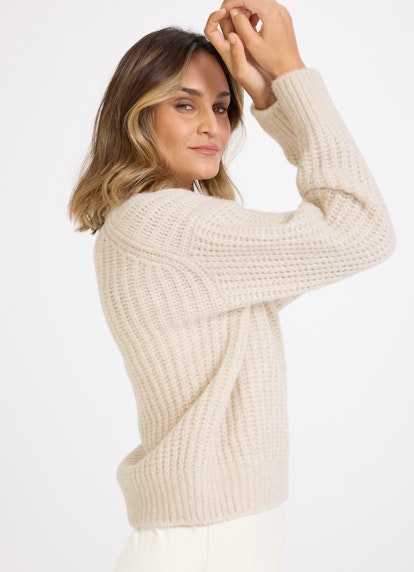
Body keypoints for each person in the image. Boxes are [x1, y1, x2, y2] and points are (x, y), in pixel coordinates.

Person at [68, 1, 395, 570]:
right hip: (209, 538)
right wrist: (290, 75)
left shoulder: (153, 228)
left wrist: (266, 97)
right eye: (184, 104)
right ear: (137, 116)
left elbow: (329, 246)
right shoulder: (166, 224)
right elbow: (361, 228)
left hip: (208, 531)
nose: (211, 126)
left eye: (221, 107)